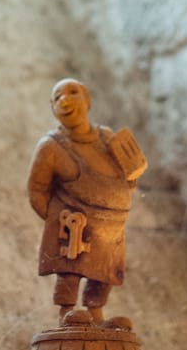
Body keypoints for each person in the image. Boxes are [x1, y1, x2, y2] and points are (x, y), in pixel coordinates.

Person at [26, 79, 145, 323]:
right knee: (70, 271)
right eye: (57, 98)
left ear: (87, 99)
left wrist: (131, 179)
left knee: (103, 276)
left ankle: (96, 314)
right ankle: (66, 313)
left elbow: (126, 176)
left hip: (111, 228)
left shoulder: (108, 138)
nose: (65, 100)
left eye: (73, 92)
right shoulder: (51, 147)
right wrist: (57, 221)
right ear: (52, 108)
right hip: (74, 230)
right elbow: (36, 189)